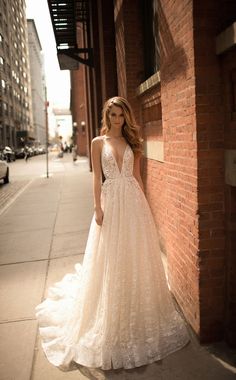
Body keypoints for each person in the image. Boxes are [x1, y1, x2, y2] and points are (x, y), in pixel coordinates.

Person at [35, 96, 189, 371]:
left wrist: (146, 206)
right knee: (110, 257)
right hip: (111, 203)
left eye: (120, 115)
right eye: (113, 116)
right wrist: (97, 207)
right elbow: (96, 177)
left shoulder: (132, 143)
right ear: (107, 118)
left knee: (134, 254)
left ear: (125, 117)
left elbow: (138, 177)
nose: (117, 120)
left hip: (132, 201)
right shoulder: (97, 143)